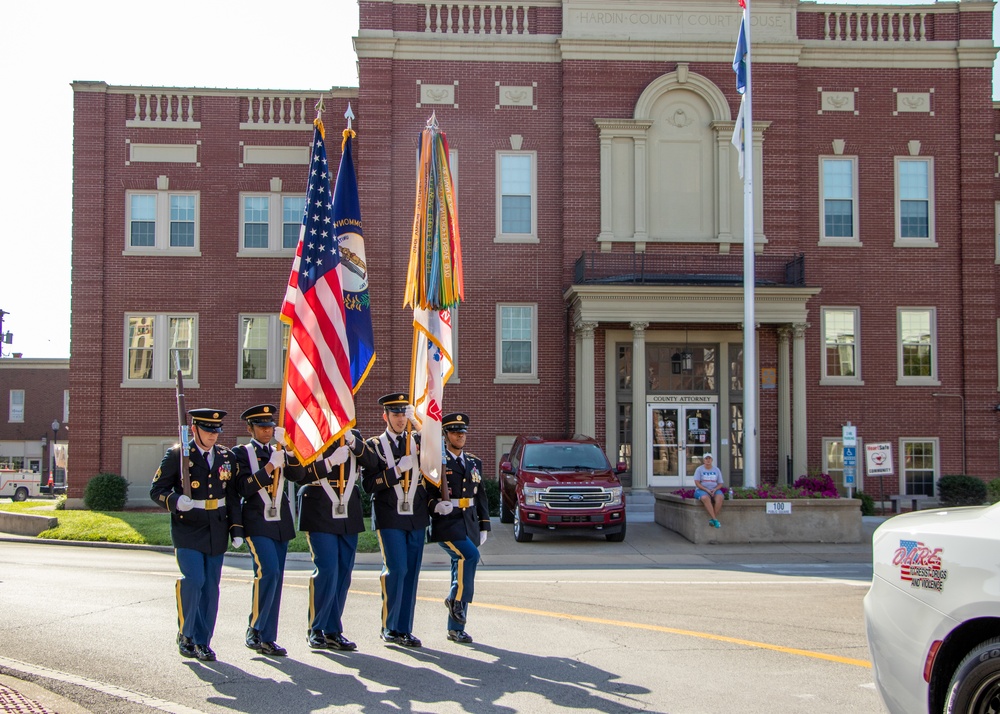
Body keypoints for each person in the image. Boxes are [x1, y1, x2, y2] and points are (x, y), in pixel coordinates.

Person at [150, 408, 243, 662]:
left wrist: (237, 529)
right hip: (188, 528)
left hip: (217, 528)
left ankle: (203, 641)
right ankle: (186, 633)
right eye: (207, 430)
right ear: (194, 430)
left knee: (211, 588)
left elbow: (232, 495)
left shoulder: (226, 456)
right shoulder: (179, 455)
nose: (213, 436)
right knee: (194, 580)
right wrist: (176, 500)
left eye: (216, 431)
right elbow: (156, 490)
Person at [284, 429, 368, 651]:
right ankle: (316, 627)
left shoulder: (353, 436)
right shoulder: (311, 435)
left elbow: (373, 462)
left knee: (343, 574)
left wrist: (353, 442)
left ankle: (333, 630)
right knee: (327, 570)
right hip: (320, 510)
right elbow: (299, 475)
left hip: (348, 512)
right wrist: (330, 462)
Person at [233, 403, 305, 657]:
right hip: (256, 521)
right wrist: (269, 468)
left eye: (270, 426)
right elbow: (243, 487)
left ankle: (268, 637)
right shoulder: (241, 453)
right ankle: (255, 629)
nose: (267, 430)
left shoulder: (280, 449)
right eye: (261, 426)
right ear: (250, 428)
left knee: (276, 578)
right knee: (268, 572)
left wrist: (288, 449)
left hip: (280, 523)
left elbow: (299, 475)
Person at [358, 393, 428, 648]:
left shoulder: (418, 440)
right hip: (389, 516)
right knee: (397, 569)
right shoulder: (375, 445)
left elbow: (440, 447)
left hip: (416, 516)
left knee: (412, 573)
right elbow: (369, 484)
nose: (400, 419)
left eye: (403, 414)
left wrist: (420, 423)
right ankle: (389, 625)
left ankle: (404, 628)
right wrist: (396, 470)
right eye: (395, 414)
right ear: (385, 416)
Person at [426, 413, 491, 644]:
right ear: (445, 435)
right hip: (447, 522)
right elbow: (427, 493)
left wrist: (484, 526)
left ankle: (456, 628)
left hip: (469, 523)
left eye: (462, 433)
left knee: (462, 571)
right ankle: (454, 600)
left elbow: (480, 496)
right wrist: (435, 505)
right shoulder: (436, 460)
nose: (460, 436)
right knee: (471, 556)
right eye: (455, 433)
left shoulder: (474, 462)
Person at [693, 453, 725, 528]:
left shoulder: (716, 470)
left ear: (712, 460)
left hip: (714, 489)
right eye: (706, 459)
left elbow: (720, 483)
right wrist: (706, 490)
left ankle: (712, 519)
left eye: (709, 459)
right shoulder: (699, 469)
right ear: (703, 460)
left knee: (720, 498)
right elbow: (697, 483)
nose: (708, 460)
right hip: (702, 489)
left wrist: (715, 489)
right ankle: (715, 519)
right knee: (705, 498)